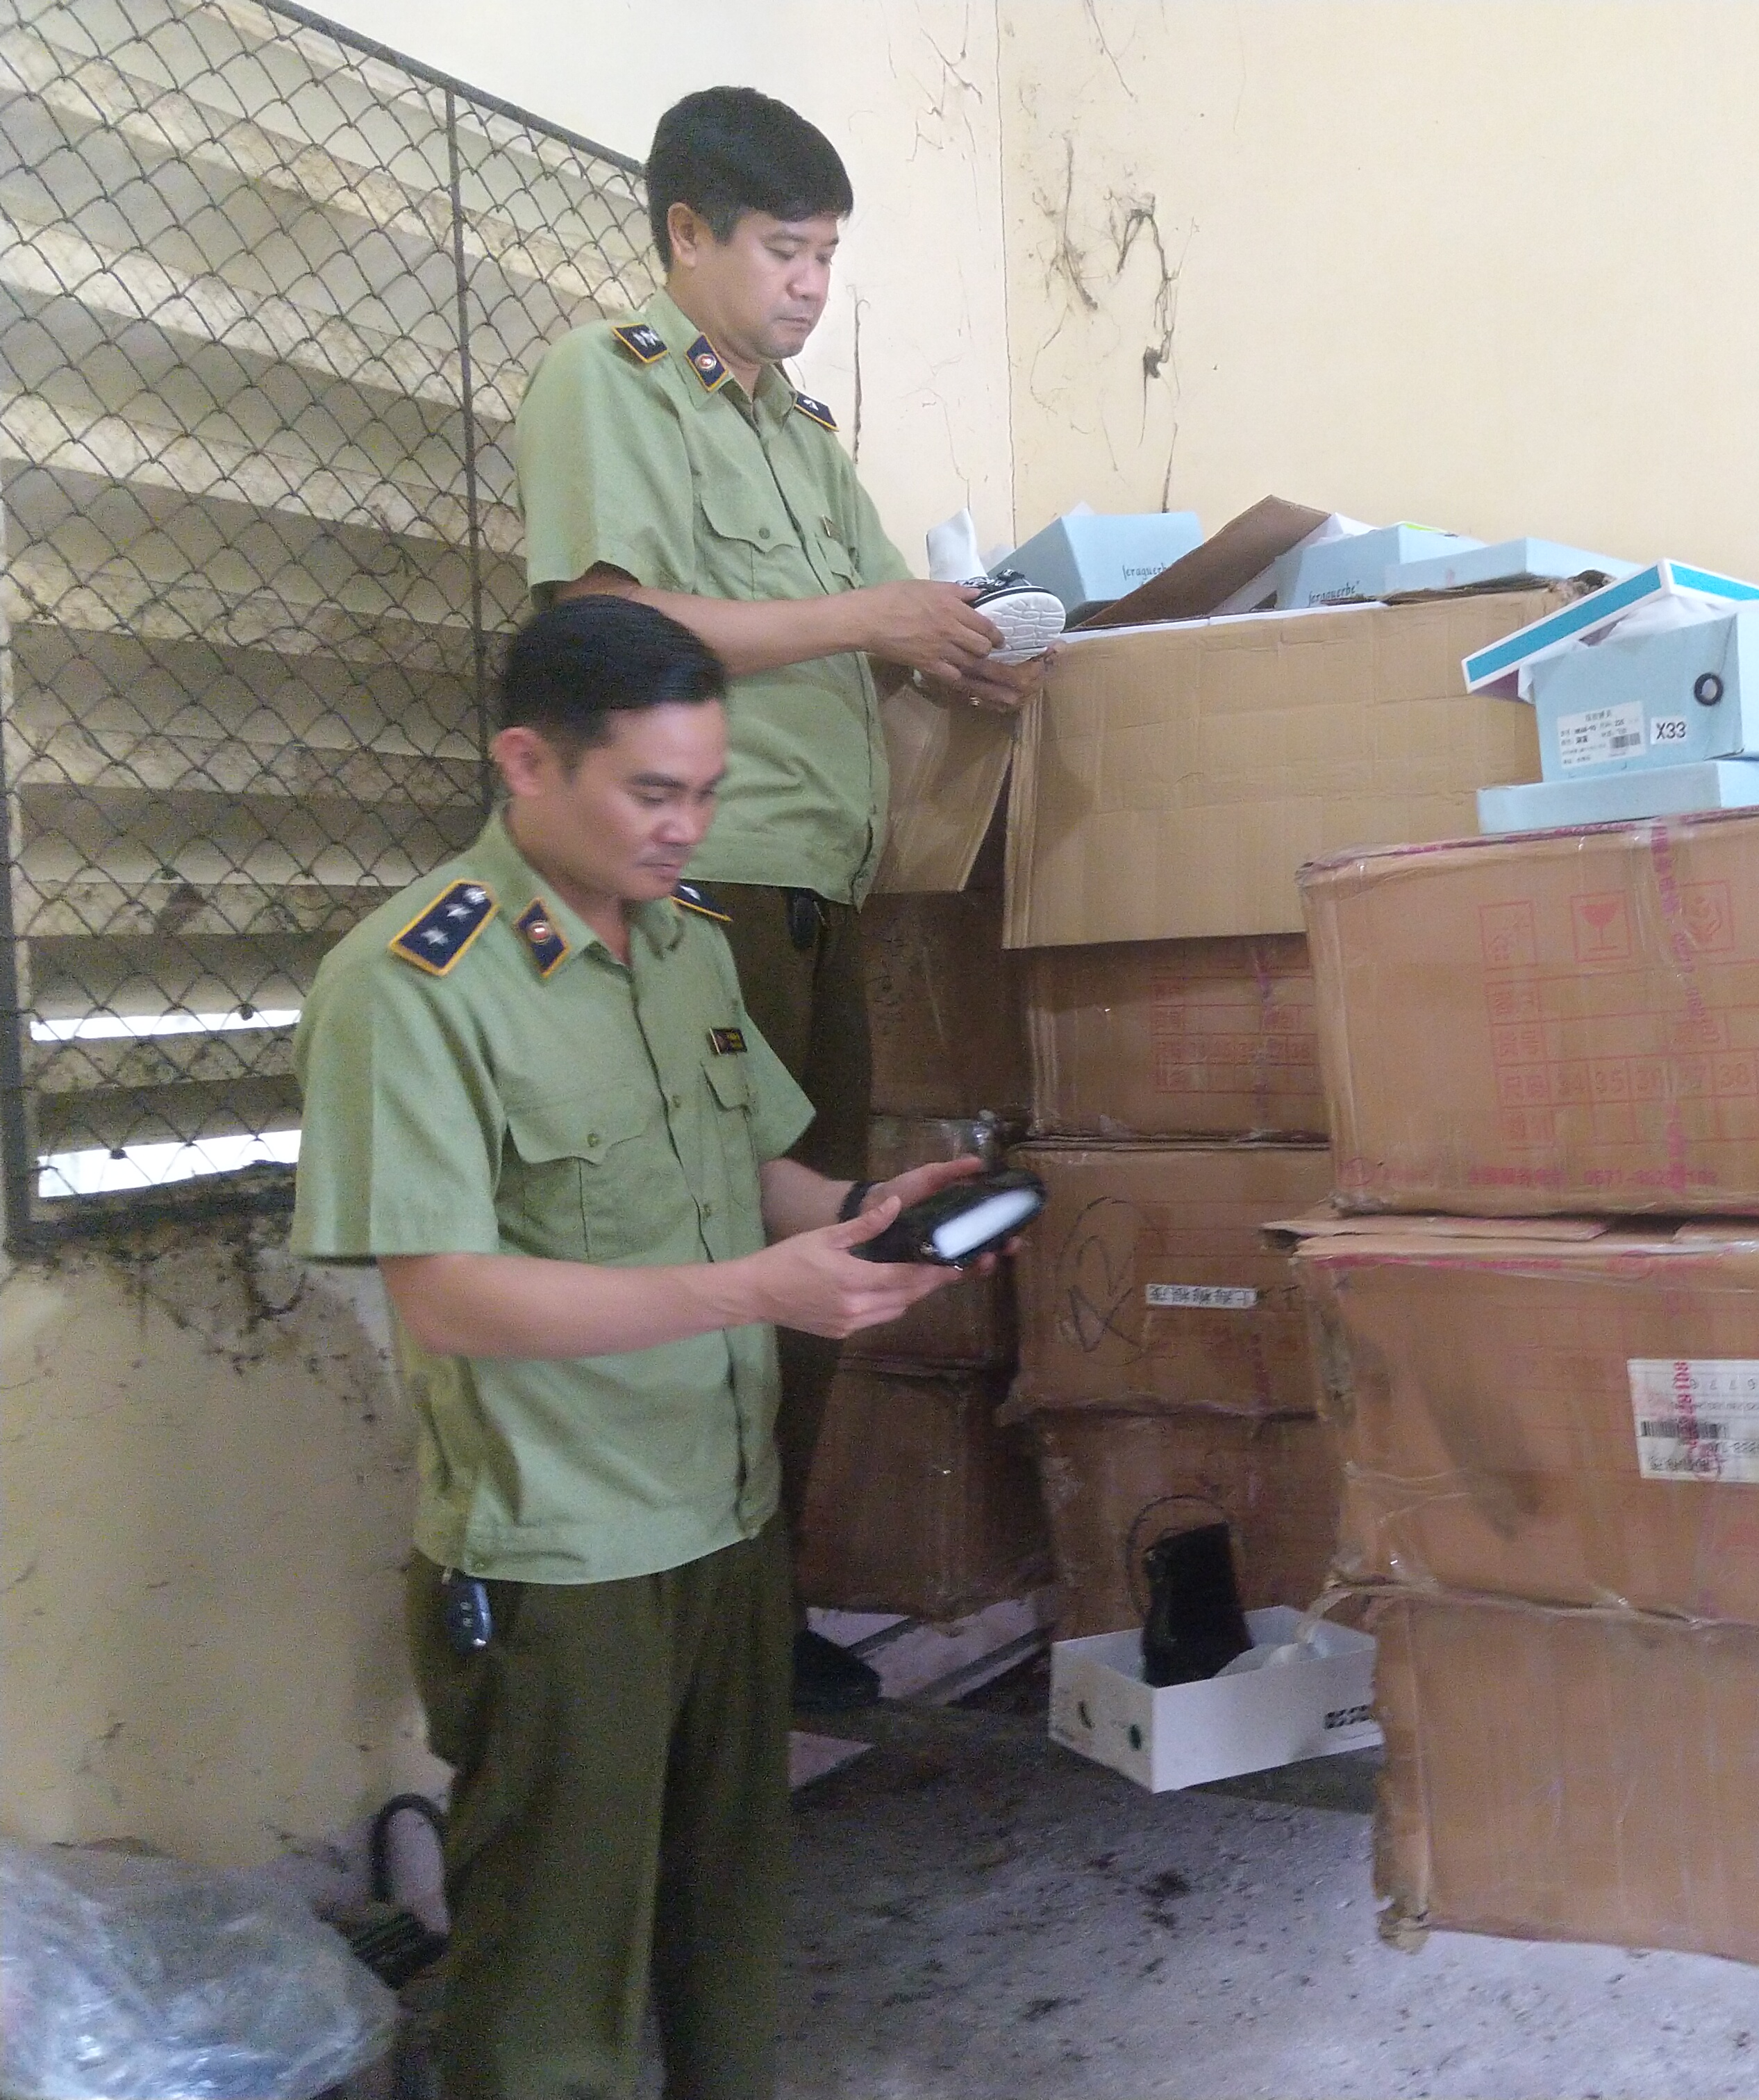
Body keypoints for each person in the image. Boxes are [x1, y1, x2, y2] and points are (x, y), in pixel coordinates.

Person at [290, 595, 997, 2098]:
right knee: (556, 1981)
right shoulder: (412, 985)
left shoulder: (685, 945)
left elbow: (756, 1169)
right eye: (653, 793)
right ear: (527, 764)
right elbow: (450, 1295)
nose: (688, 830)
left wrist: (869, 1217)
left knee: (728, 1937)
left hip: (724, 1516)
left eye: (708, 794)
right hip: (566, 1558)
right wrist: (755, 1293)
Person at [512, 85, 1047, 1708]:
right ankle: (692, 1617)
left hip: (819, 885)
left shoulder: (800, 436)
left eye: (828, 258)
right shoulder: (610, 384)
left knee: (824, 1234)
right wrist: (871, 618)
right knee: (710, 1240)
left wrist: (953, 645)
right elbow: (609, 625)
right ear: (688, 234)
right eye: (783, 251)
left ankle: (766, 1602)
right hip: (700, 886)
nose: (811, 286)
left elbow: (864, 619)